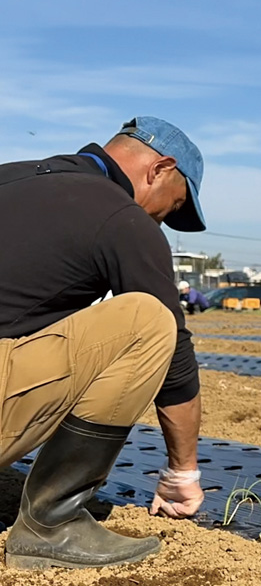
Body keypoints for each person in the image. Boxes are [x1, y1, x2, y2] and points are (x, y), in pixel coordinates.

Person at [0, 117, 207, 569]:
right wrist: (181, 472)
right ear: (160, 169)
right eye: (172, 207)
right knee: (146, 321)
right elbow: (175, 360)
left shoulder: (12, 175)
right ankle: (51, 525)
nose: (162, 220)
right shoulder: (121, 218)